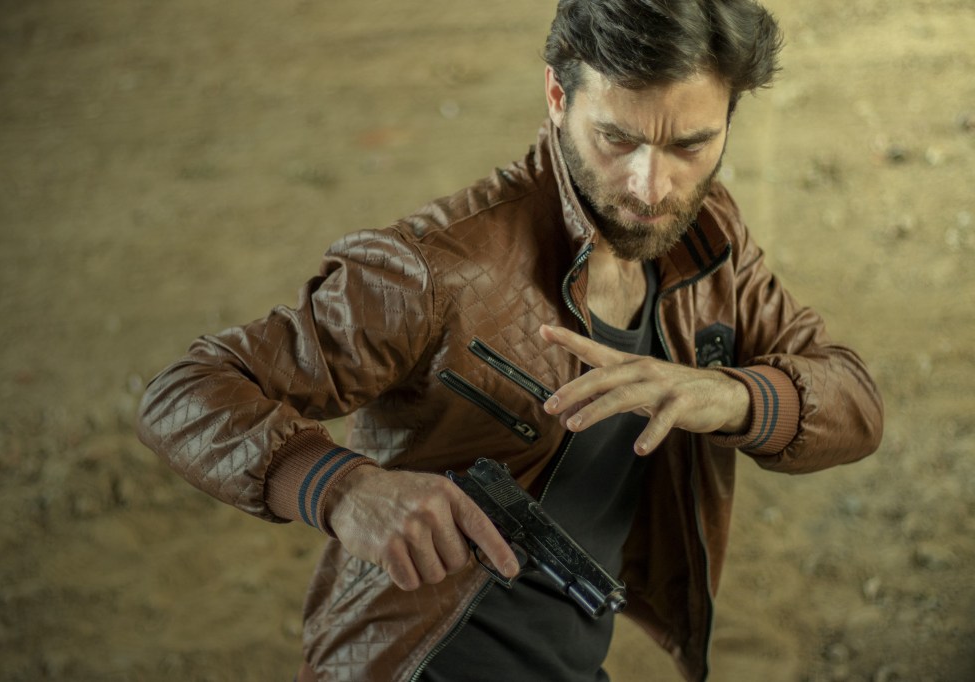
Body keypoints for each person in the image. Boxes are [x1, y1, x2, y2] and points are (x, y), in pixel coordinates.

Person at [137, 0, 884, 680]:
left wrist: (727, 395)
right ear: (558, 97)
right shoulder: (438, 269)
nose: (649, 187)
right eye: (616, 138)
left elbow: (855, 402)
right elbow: (187, 389)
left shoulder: (708, 239)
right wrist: (340, 489)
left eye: (690, 144)